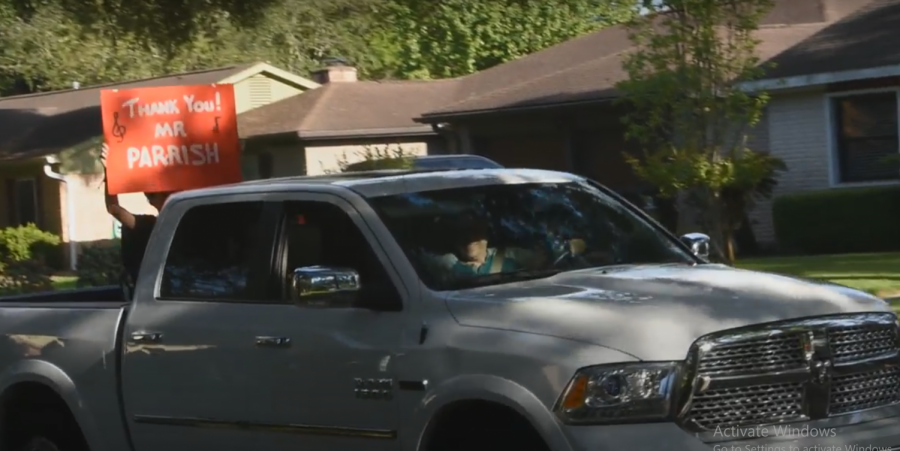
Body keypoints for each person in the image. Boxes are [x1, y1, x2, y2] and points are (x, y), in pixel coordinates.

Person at [100, 143, 173, 286]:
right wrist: (110, 173)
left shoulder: (191, 224)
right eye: (151, 195)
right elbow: (114, 209)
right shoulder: (147, 226)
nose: (169, 196)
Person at [431, 213, 586, 277]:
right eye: (463, 233)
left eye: (475, 232)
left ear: (486, 236)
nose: (470, 238)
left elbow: (547, 258)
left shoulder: (512, 256)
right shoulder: (444, 263)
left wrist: (571, 247)